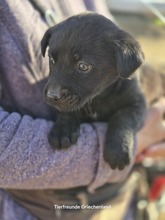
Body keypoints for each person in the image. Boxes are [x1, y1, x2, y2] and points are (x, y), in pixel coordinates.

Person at [0, 0, 165, 219]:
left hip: (121, 202)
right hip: (40, 209)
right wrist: (67, 117)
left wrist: (123, 131)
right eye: (53, 59)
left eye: (83, 67)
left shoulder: (126, 78)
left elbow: (135, 106)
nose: (53, 91)